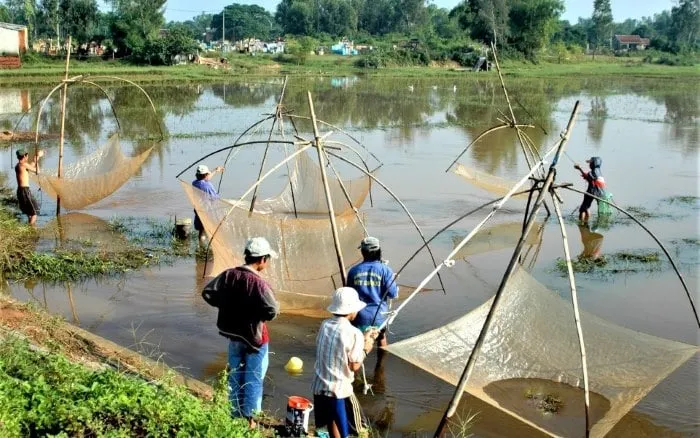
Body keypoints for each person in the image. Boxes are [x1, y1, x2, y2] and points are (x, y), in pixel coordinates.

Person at [201, 237, 279, 429]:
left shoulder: (229, 275)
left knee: (235, 373)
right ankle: (250, 420)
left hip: (234, 334)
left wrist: (226, 306)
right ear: (262, 260)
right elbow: (273, 310)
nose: (266, 263)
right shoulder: (259, 283)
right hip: (255, 339)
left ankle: (235, 414)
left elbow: (208, 293)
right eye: (267, 259)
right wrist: (258, 314)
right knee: (253, 378)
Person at [312, 287, 379, 438]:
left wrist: (364, 337)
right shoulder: (354, 333)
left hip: (319, 387)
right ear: (352, 311)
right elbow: (354, 366)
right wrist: (366, 348)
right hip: (340, 392)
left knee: (331, 420)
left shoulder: (325, 325)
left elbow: (340, 343)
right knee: (361, 428)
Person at [346, 236, 399, 347]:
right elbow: (393, 294)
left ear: (362, 252)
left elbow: (348, 295)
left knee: (357, 344)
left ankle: (356, 362)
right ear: (379, 251)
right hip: (379, 317)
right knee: (381, 338)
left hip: (358, 317)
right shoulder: (385, 270)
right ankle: (381, 364)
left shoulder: (353, 271)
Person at [192, 164, 224, 242]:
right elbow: (215, 198)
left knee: (201, 229)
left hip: (198, 209)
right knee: (211, 228)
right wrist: (217, 195)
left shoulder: (195, 183)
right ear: (206, 175)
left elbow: (205, 179)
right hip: (207, 210)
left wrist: (216, 170)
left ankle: (201, 245)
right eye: (208, 174)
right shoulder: (207, 185)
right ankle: (204, 245)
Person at [14, 148, 44, 225]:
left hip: (20, 190)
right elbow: (38, 171)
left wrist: (36, 158)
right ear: (25, 156)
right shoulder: (24, 165)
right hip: (25, 191)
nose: (27, 157)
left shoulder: (19, 165)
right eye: (27, 155)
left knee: (29, 212)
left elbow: (30, 167)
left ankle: (30, 226)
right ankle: (30, 229)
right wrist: (37, 160)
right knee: (35, 213)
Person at [574, 156, 606, 224]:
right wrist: (580, 170)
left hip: (593, 191)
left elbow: (588, 177)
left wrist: (579, 168)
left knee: (583, 209)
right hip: (598, 192)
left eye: (590, 163)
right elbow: (588, 177)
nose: (589, 164)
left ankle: (582, 224)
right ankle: (586, 222)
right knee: (587, 207)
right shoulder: (598, 171)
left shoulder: (594, 172)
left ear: (593, 164)